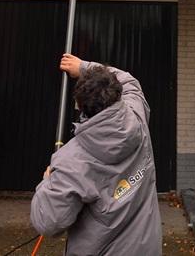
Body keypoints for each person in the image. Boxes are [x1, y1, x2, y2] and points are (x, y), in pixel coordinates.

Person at [30, 54, 162, 256]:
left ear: (81, 106)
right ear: (117, 93)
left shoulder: (72, 160)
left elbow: (48, 222)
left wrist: (48, 182)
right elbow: (128, 79)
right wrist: (84, 66)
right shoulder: (137, 117)